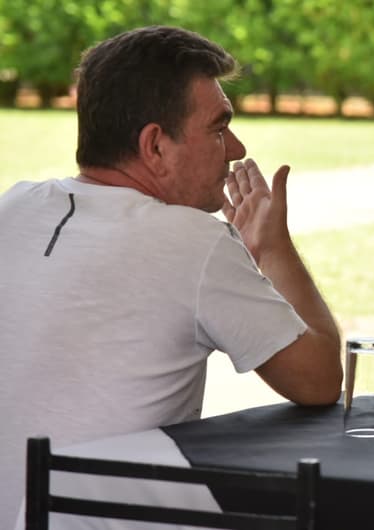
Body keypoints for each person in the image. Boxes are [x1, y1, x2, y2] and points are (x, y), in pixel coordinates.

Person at [0, 26, 342, 526]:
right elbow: (320, 380)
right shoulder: (192, 240)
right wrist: (274, 247)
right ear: (155, 146)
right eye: (219, 127)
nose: (236, 148)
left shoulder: (12, 207)